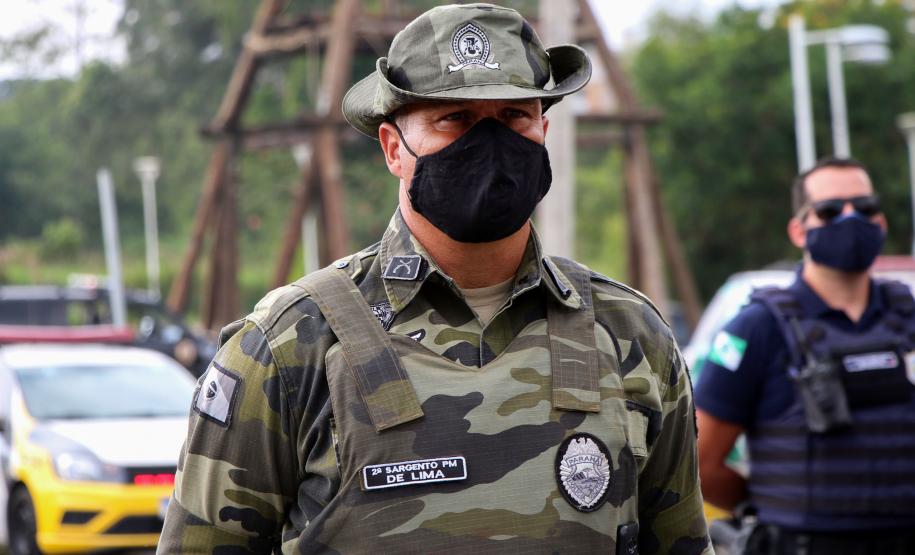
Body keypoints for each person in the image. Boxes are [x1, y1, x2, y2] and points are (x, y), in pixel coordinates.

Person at [159, 4, 710, 553]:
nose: (490, 144)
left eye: (514, 116)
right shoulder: (287, 346)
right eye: (457, 119)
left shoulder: (631, 335)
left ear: (544, 128)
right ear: (394, 148)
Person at [695, 157, 915, 554]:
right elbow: (700, 460)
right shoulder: (758, 327)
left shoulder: (907, 316)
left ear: (880, 222)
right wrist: (771, 505)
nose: (851, 219)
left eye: (864, 208)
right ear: (799, 230)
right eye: (830, 211)